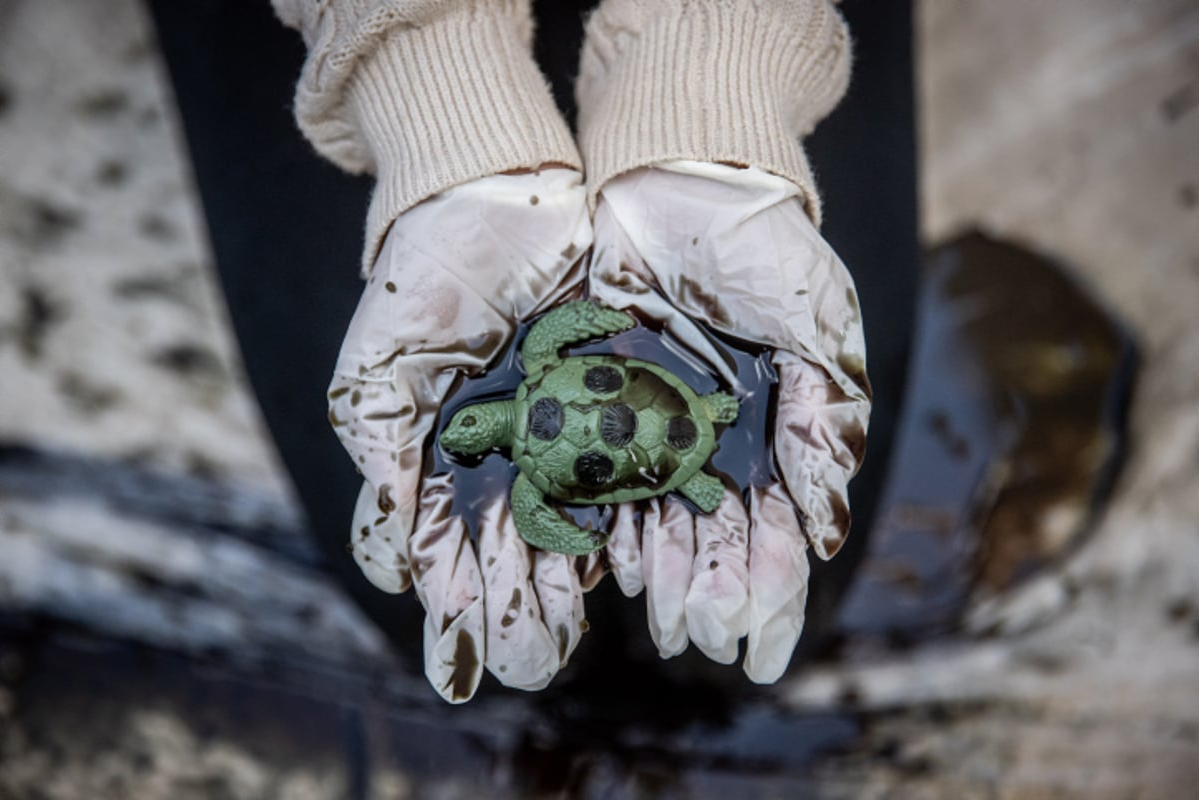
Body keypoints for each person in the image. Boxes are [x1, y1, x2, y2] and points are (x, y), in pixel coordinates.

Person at [270, 0, 871, 703]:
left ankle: (697, 501)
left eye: (462, 430)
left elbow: (537, 505)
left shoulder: (531, 474)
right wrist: (420, 73)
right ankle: (695, 481)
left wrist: (715, 65)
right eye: (471, 430)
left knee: (801, 580)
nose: (464, 433)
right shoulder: (544, 366)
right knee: (417, 604)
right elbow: (564, 335)